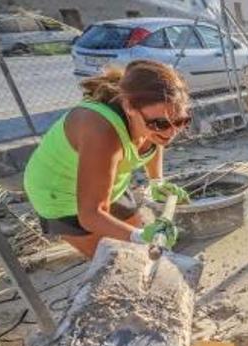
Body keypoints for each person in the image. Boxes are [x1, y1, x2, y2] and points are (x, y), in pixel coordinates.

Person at [23, 60, 191, 259]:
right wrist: (139, 236)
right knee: (116, 261)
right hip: (60, 193)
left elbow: (155, 140)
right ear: (129, 107)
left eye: (181, 121)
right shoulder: (101, 132)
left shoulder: (151, 121)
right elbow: (91, 215)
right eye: (161, 123)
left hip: (106, 181)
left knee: (139, 249)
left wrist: (157, 181)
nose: (172, 132)